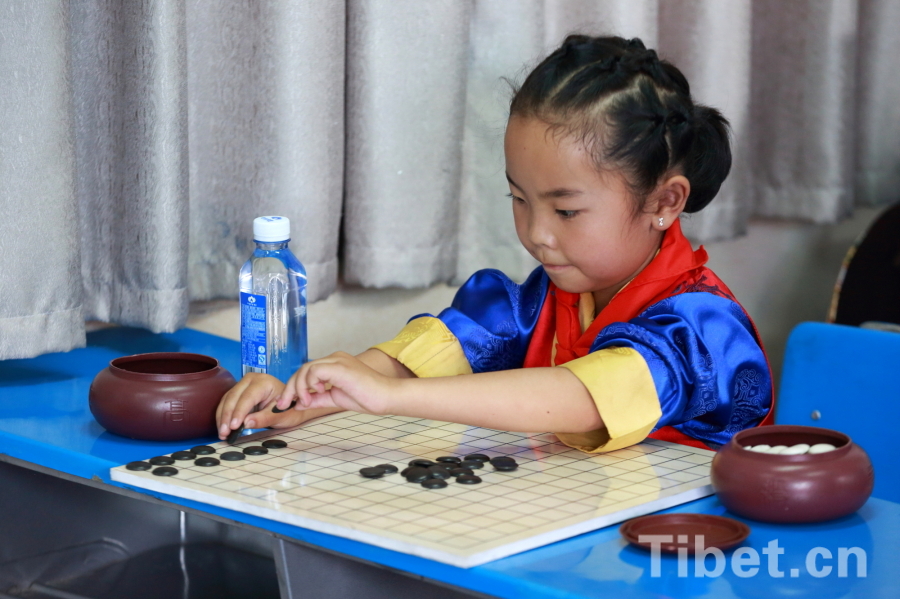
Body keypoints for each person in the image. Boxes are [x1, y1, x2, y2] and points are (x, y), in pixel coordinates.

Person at [217, 35, 773, 453]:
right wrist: (315, 394)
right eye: (519, 199)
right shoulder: (539, 301)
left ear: (664, 203)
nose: (537, 233)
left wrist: (388, 399)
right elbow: (434, 351)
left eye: (567, 210)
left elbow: (582, 395)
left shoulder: (701, 331)